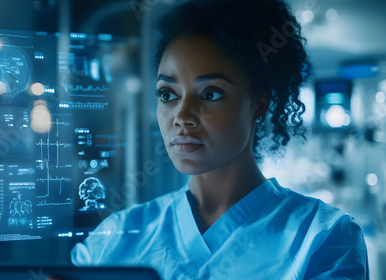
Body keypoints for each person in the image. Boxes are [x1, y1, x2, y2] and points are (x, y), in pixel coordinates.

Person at [71, 0, 369, 279]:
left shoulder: (324, 238)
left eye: (210, 94)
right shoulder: (112, 240)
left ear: (259, 103)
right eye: (168, 94)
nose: (182, 115)